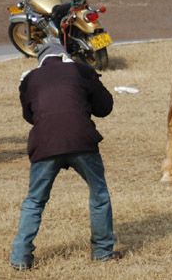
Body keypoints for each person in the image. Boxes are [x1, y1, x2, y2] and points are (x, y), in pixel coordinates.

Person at [10, 38, 120, 271]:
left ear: (41, 61)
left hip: (45, 143)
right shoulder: (81, 71)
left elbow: (30, 116)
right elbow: (105, 107)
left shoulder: (30, 79)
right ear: (64, 55)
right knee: (99, 194)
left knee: (34, 201)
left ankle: (20, 257)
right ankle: (102, 252)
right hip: (81, 140)